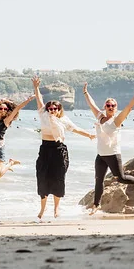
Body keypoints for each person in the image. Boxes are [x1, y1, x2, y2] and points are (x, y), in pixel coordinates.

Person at [32, 76, 96, 219]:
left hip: (59, 150)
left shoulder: (63, 120)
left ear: (59, 109)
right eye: (50, 108)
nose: (51, 110)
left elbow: (76, 129)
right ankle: (42, 210)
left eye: (54, 108)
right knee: (42, 179)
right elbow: (39, 99)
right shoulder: (43, 114)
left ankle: (56, 209)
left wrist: (89, 135)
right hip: (45, 149)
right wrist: (36, 87)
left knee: (58, 179)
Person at [82, 82, 134, 215]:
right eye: (108, 105)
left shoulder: (117, 120)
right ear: (105, 107)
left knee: (121, 178)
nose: (111, 107)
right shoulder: (100, 117)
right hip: (101, 155)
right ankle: (96, 205)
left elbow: (129, 107)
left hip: (113, 155)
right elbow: (91, 104)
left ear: (116, 107)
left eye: (113, 105)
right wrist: (85, 92)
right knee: (98, 180)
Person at [0, 84, 35, 180]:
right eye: (0, 108)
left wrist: (28, 100)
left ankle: (10, 163)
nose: (2, 110)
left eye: (5, 109)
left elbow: (17, 108)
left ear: (7, 110)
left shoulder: (6, 121)